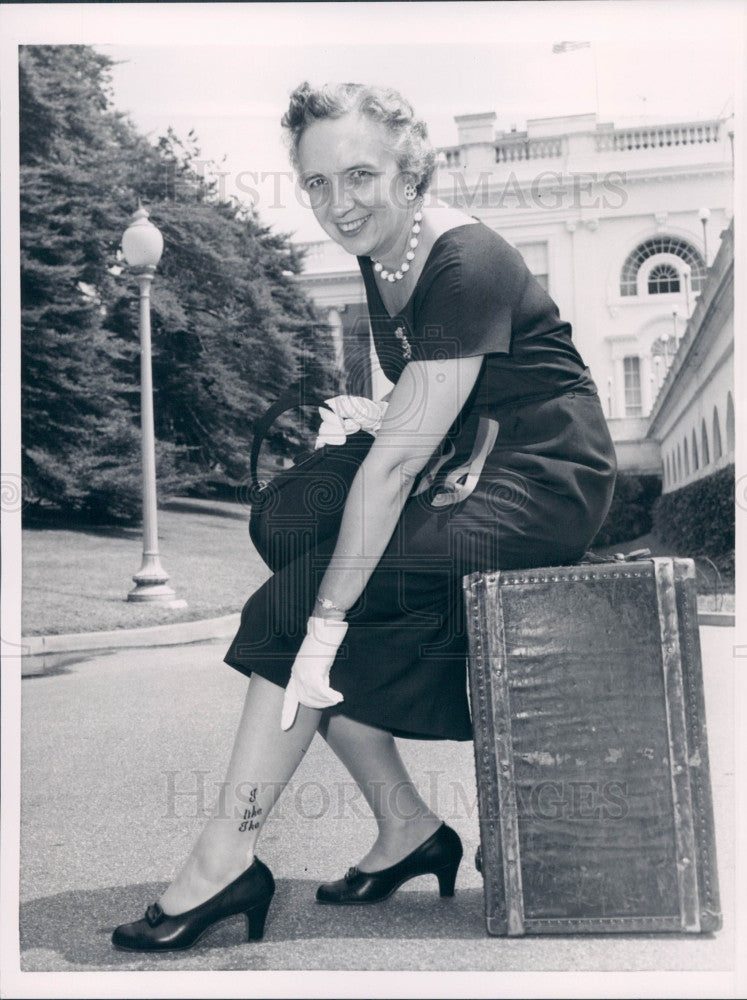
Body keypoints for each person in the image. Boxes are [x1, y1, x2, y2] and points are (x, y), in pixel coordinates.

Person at [111, 81, 617, 952]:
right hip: (469, 451)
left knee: (298, 610)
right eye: (314, 184)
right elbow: (421, 403)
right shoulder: (380, 249)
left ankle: (225, 855)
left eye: (358, 177)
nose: (336, 203)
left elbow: (393, 470)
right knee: (285, 521)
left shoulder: (464, 261)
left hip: (543, 475)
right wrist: (382, 416)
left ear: (409, 171)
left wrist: (327, 618)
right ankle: (406, 827)